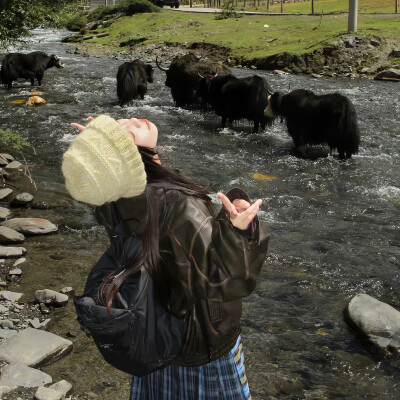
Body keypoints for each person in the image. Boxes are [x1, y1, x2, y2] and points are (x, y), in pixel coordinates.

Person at [62, 114, 270, 400]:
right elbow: (225, 281)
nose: (134, 119)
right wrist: (241, 232)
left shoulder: (113, 194)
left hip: (153, 328)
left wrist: (102, 154)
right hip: (199, 341)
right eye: (125, 130)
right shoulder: (180, 204)